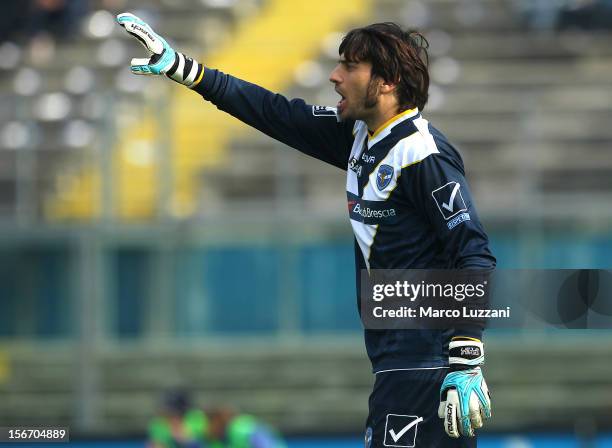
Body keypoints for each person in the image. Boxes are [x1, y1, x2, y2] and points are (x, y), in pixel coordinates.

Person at [117, 13, 495, 447]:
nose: (335, 76)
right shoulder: (360, 137)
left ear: (388, 82)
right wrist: (182, 69)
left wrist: (466, 355)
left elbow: (475, 253)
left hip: (426, 365)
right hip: (399, 363)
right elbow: (272, 111)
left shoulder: (422, 153)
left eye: (350, 66)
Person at [206, 407, 286, 448]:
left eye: (210, 424)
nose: (208, 429)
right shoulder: (221, 440)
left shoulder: (238, 428)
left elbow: (264, 444)